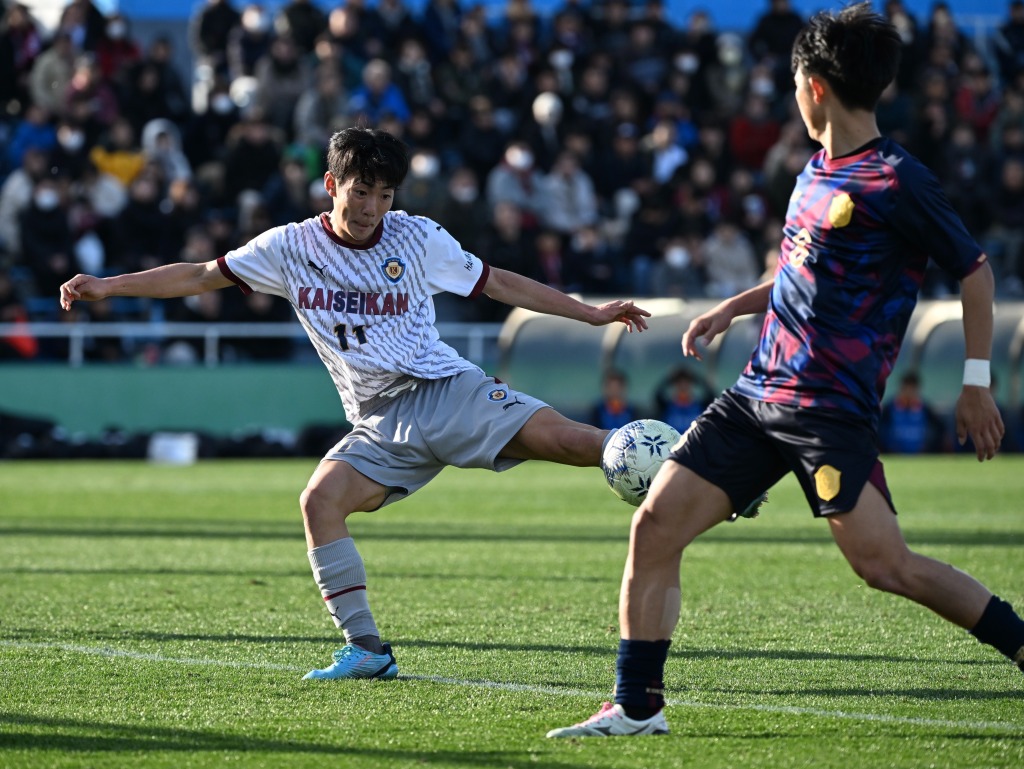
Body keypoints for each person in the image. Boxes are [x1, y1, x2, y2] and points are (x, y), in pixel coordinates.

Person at [548, 4, 1023, 739]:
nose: (793, 94)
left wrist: (975, 380)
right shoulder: (812, 169)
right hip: (756, 393)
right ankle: (637, 704)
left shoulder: (897, 180)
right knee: (655, 526)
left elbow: (977, 272)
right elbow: (802, 275)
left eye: (795, 82)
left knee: (883, 565)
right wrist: (731, 309)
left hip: (828, 409)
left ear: (816, 88)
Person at [60, 126, 654, 681]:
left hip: (444, 390)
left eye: (385, 194)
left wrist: (590, 312)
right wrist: (109, 286)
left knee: (576, 444)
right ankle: (367, 650)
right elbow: (196, 276)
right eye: (362, 191)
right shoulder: (288, 247)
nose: (372, 208)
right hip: (376, 421)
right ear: (332, 185)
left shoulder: (417, 236)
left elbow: (499, 283)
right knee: (319, 501)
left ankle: (701, 473)